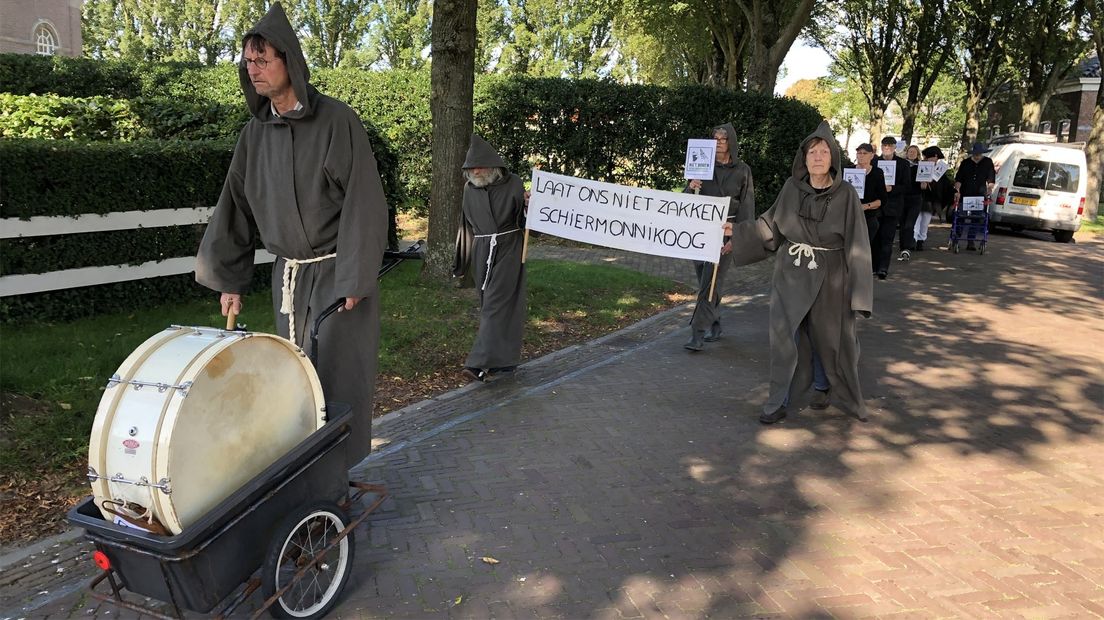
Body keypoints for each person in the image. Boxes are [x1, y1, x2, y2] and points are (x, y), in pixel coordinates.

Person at [195, 2, 389, 469]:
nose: (253, 69)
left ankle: (337, 478)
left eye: (263, 60)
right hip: (290, 278)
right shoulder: (253, 136)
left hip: (337, 276)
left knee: (338, 379)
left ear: (290, 62)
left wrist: (355, 278)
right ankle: (305, 481)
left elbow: (365, 200)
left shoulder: (337, 122)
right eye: (248, 62)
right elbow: (235, 207)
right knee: (293, 382)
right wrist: (229, 279)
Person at [727, 121, 872, 424]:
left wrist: (859, 295)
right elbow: (770, 226)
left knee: (829, 337)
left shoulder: (846, 195)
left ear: (833, 157)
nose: (817, 157)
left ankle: (823, 386)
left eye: (823, 151)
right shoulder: (791, 189)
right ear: (803, 158)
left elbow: (858, 244)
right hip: (791, 271)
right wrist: (737, 233)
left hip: (831, 276)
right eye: (811, 152)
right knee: (784, 335)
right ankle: (777, 400)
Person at [452, 135, 528, 383]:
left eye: (480, 166)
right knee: (490, 306)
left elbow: (529, 223)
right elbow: (465, 226)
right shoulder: (468, 190)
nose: (476, 171)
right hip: (482, 250)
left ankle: (477, 363)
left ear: (493, 165)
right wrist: (461, 262)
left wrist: (531, 206)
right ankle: (503, 363)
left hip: (509, 248)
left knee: (496, 303)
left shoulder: (514, 184)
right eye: (471, 168)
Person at [683, 123, 756, 351]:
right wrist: (690, 187)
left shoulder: (742, 170)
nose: (718, 143)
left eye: (723, 139)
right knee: (706, 281)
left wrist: (738, 236)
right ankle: (715, 321)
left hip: (726, 230)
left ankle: (697, 333)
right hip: (700, 231)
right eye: (715, 138)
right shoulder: (702, 165)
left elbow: (747, 204)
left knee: (710, 283)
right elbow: (687, 199)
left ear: (731, 142)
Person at [872, 136, 908, 279]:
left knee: (887, 239)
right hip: (876, 206)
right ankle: (874, 266)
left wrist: (891, 189)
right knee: (875, 238)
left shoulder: (903, 164)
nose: (887, 148)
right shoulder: (874, 162)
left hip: (893, 207)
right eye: (884, 146)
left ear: (894, 148)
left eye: (890, 146)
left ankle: (883, 268)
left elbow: (906, 186)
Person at [953, 142, 996, 251]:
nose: (977, 155)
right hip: (965, 193)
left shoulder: (987, 162)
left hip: (979, 195)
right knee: (961, 217)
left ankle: (971, 241)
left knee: (976, 219)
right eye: (975, 153)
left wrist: (989, 189)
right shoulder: (965, 163)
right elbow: (959, 179)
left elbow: (991, 179)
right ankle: (956, 238)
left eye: (979, 153)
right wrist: (957, 190)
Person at [916, 146, 953, 251]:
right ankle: (914, 239)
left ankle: (920, 240)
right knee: (917, 220)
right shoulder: (922, 166)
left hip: (931, 200)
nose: (929, 159)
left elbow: (946, 185)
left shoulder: (941, 169)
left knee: (925, 221)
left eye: (930, 157)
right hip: (921, 197)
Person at [853, 143, 886, 252]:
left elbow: (882, 200)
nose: (861, 155)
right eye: (859, 153)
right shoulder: (848, 170)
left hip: (869, 217)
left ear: (871, 156)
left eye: (864, 153)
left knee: (863, 249)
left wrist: (866, 206)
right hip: (849, 216)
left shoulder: (877, 173)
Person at [897, 144, 923, 261]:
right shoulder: (902, 165)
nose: (911, 153)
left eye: (914, 152)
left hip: (915, 198)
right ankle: (903, 246)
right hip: (902, 198)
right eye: (910, 151)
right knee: (902, 224)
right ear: (906, 153)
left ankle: (906, 247)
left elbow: (924, 187)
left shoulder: (921, 167)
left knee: (909, 224)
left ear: (918, 154)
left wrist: (924, 185)